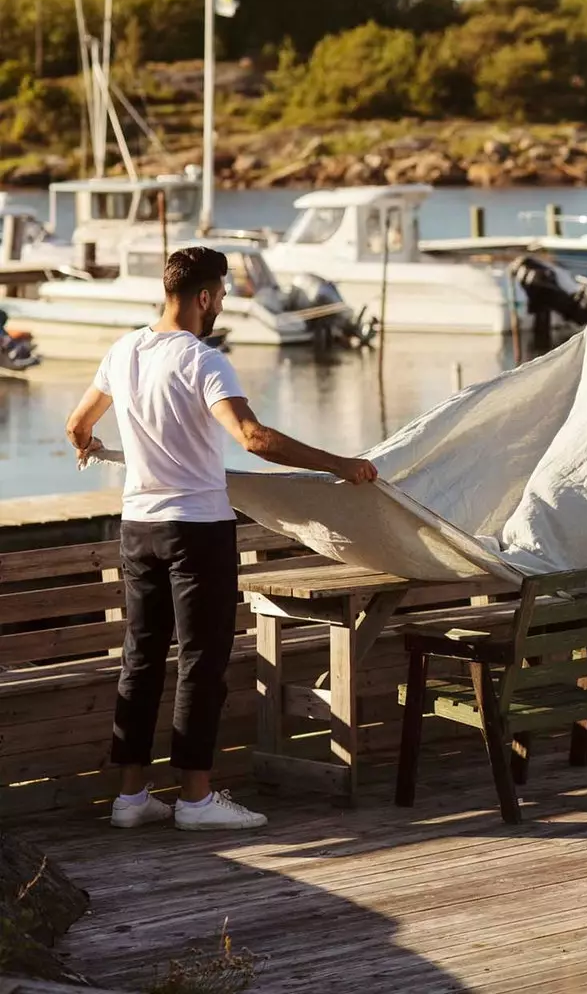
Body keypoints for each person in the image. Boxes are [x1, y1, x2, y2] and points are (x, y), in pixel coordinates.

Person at [65, 246, 379, 832]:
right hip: (197, 529)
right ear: (205, 296)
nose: (225, 302)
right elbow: (253, 437)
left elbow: (77, 424)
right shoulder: (202, 360)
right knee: (202, 661)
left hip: (139, 527)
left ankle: (131, 798)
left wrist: (90, 446)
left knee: (141, 658)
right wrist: (342, 464)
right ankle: (195, 799)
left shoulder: (124, 349)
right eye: (225, 292)